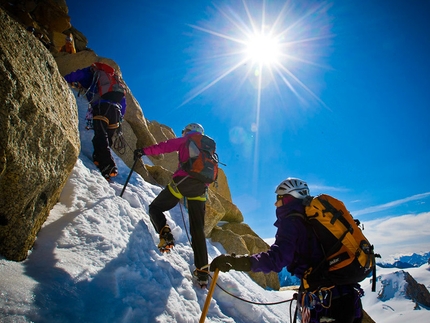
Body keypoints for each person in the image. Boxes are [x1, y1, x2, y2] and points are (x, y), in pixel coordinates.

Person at [210, 178, 363, 323]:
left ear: (290, 198)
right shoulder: (313, 221)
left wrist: (237, 262)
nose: (276, 204)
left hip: (327, 306)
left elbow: (277, 258)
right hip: (348, 298)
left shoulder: (292, 221)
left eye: (280, 198)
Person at [134, 123, 210, 287]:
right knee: (197, 230)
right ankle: (203, 272)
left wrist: (143, 151)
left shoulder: (185, 140)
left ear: (188, 131)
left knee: (155, 207)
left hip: (183, 182)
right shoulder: (207, 147)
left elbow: (164, 147)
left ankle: (165, 234)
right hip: (201, 189)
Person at [64, 63, 126, 180]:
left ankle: (109, 167)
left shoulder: (92, 72)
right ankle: (98, 159)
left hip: (101, 107)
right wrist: (120, 117)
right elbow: (123, 102)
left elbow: (77, 75)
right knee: (107, 138)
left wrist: (62, 80)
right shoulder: (114, 81)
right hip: (116, 111)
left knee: (100, 136)